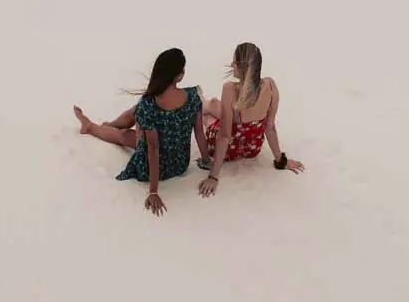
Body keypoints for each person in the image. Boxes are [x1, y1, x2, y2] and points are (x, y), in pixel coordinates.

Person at [73, 47, 209, 217]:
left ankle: (91, 127)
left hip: (152, 169)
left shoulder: (149, 104)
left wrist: (153, 191)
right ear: (180, 75)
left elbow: (153, 148)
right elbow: (199, 134)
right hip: (179, 164)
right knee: (139, 112)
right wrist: (206, 160)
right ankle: (111, 125)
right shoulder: (193, 97)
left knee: (125, 135)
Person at [198, 42, 304, 197]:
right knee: (220, 109)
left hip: (230, 150)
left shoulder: (230, 89)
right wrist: (281, 160)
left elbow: (224, 136)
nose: (232, 64)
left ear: (242, 67)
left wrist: (213, 176)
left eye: (235, 62)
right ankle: (206, 105)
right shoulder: (270, 86)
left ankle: (201, 103)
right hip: (252, 147)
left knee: (210, 108)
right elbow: (270, 128)